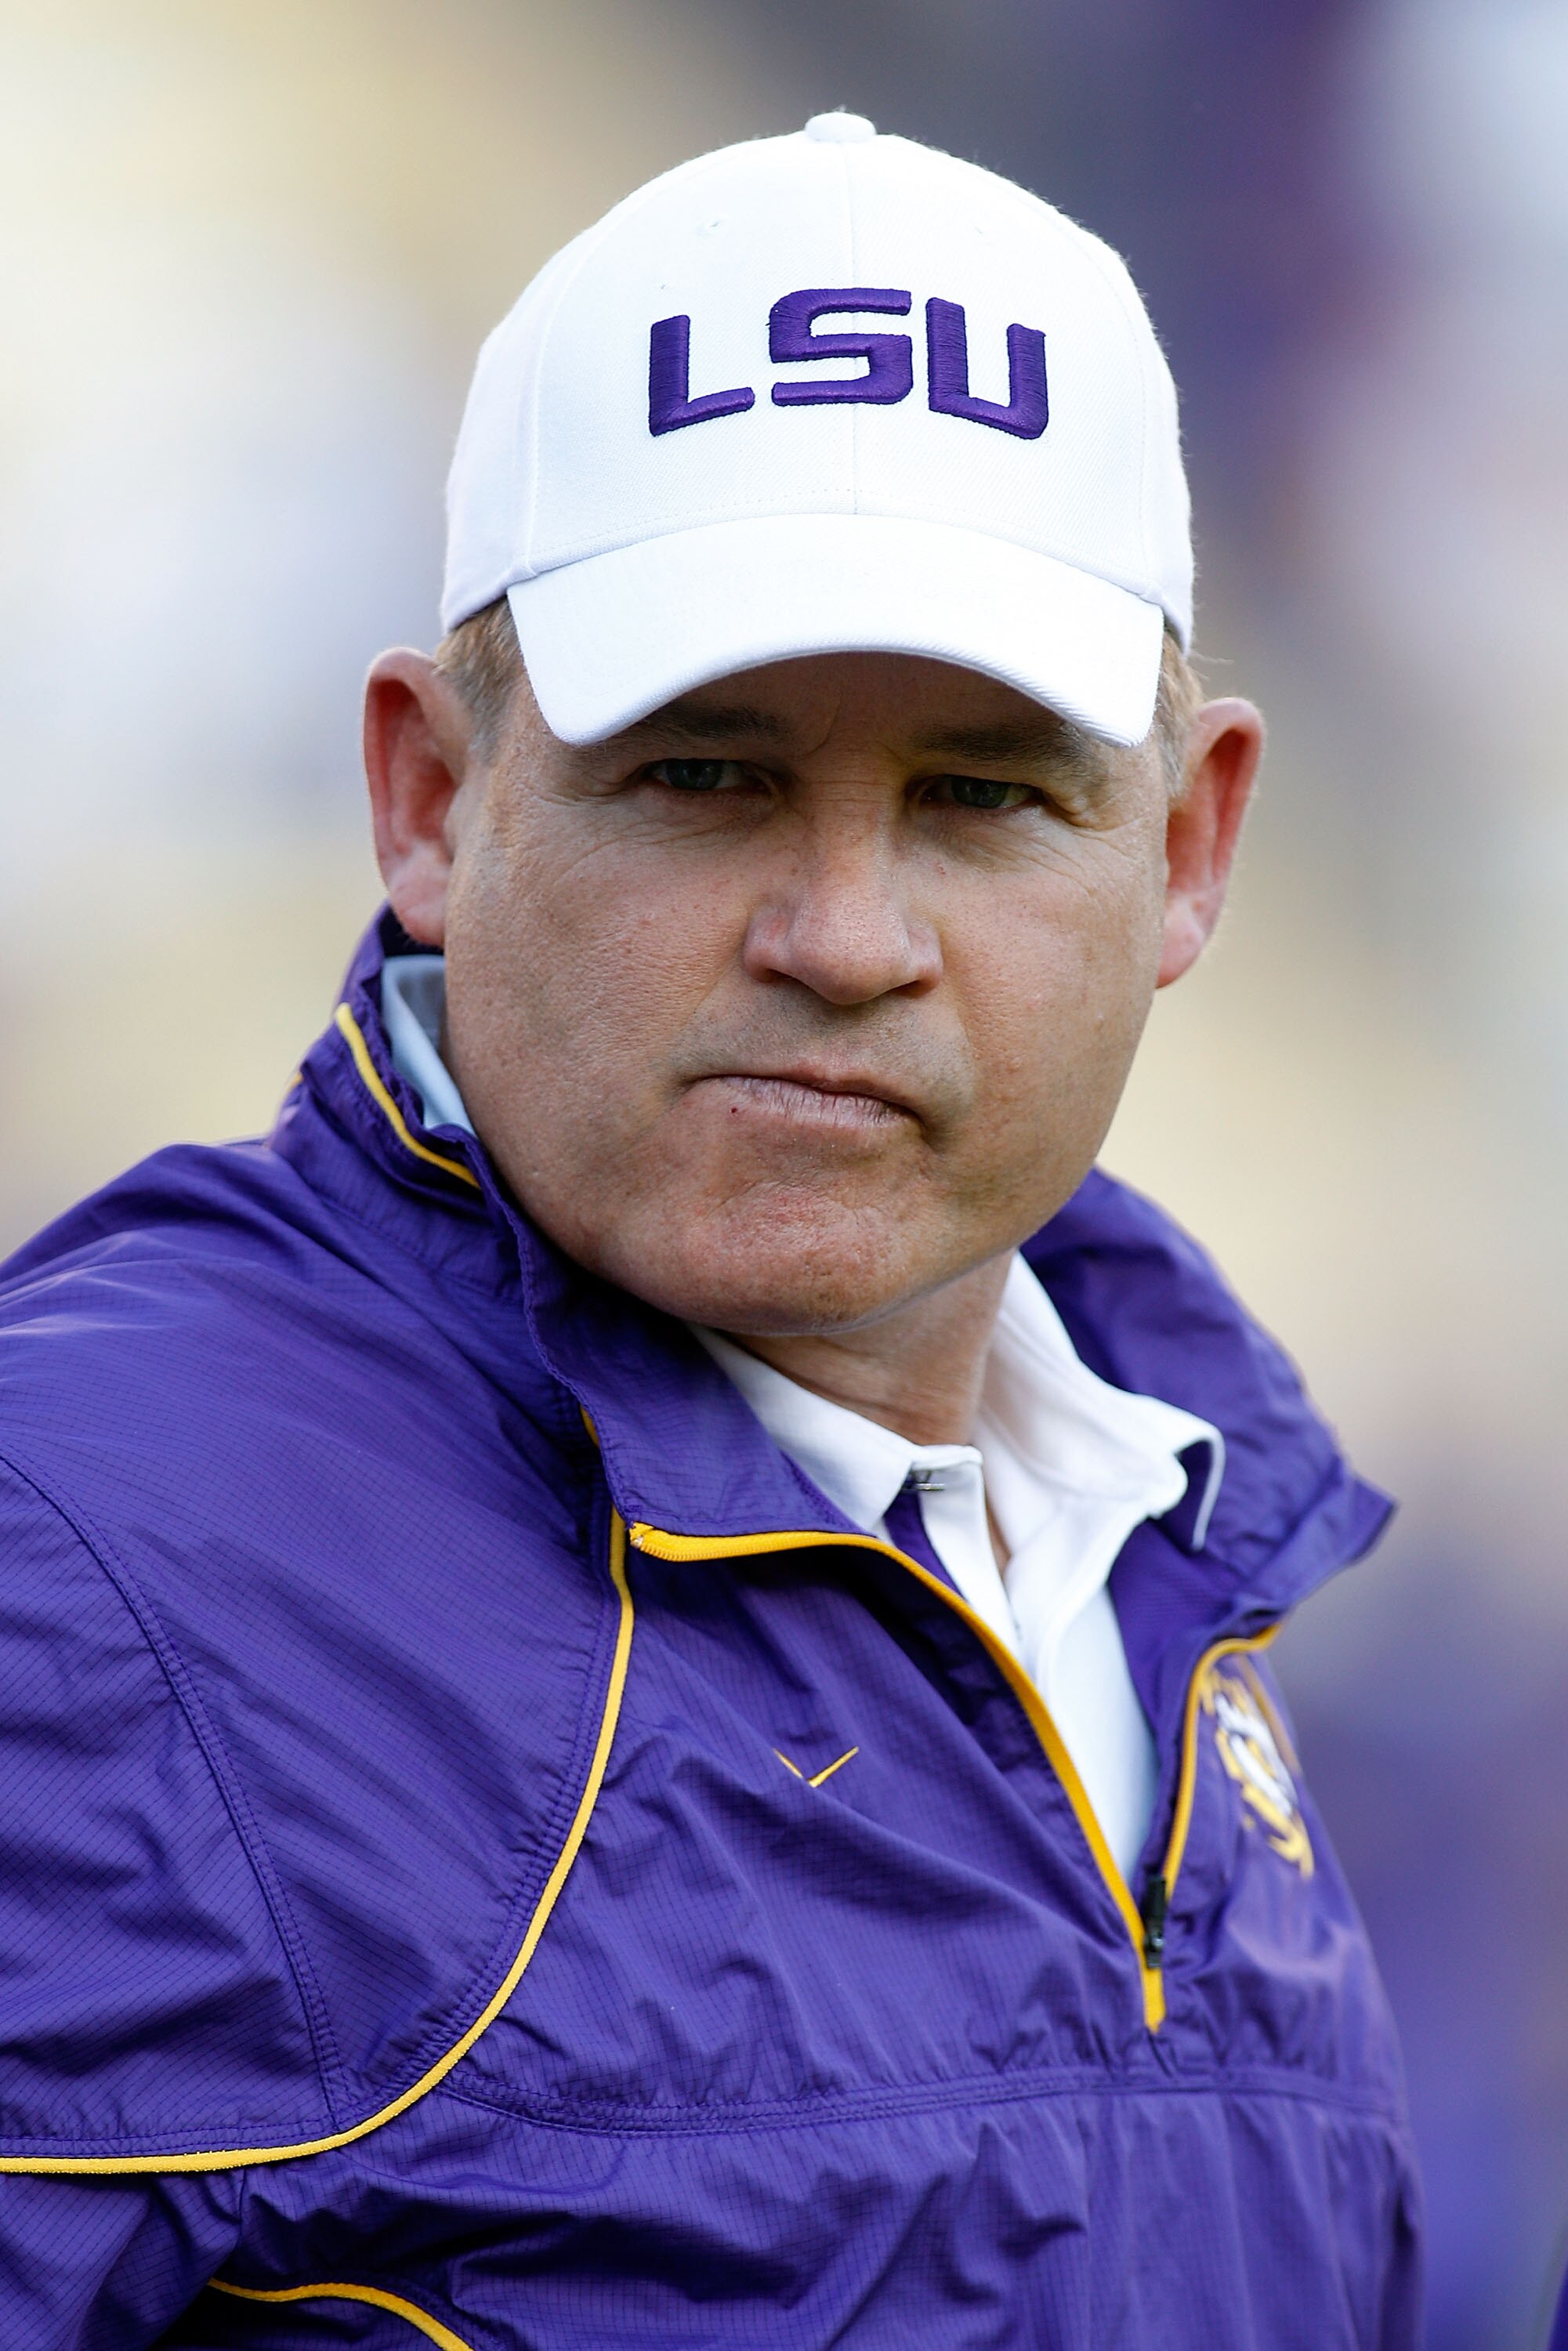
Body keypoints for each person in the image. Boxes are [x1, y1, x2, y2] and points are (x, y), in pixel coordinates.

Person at [0, 114, 1420, 2347]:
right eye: (701, 773)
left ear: (1191, 845)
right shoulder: (72, 1564)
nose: (844, 934)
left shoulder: (1169, 1559)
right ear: (431, 802)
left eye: (980, 796)